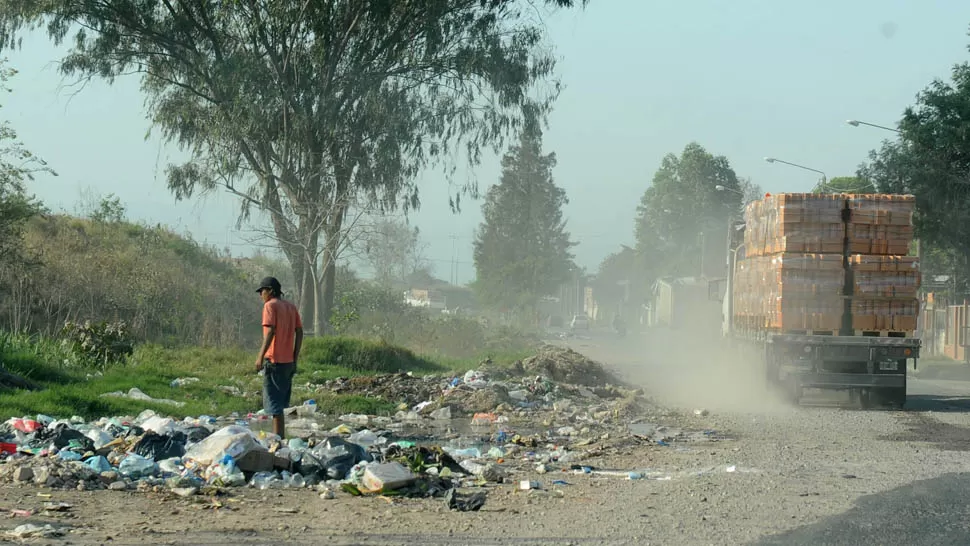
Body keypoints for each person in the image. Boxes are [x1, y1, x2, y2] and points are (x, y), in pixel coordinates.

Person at [254, 276, 303, 438]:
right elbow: (300, 332)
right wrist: (295, 357)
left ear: (270, 291)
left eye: (262, 291)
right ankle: (279, 439)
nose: (261, 295)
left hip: (274, 361)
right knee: (279, 406)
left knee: (274, 406)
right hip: (288, 362)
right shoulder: (290, 307)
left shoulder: (270, 306)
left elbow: (270, 332)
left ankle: (277, 440)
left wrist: (260, 357)